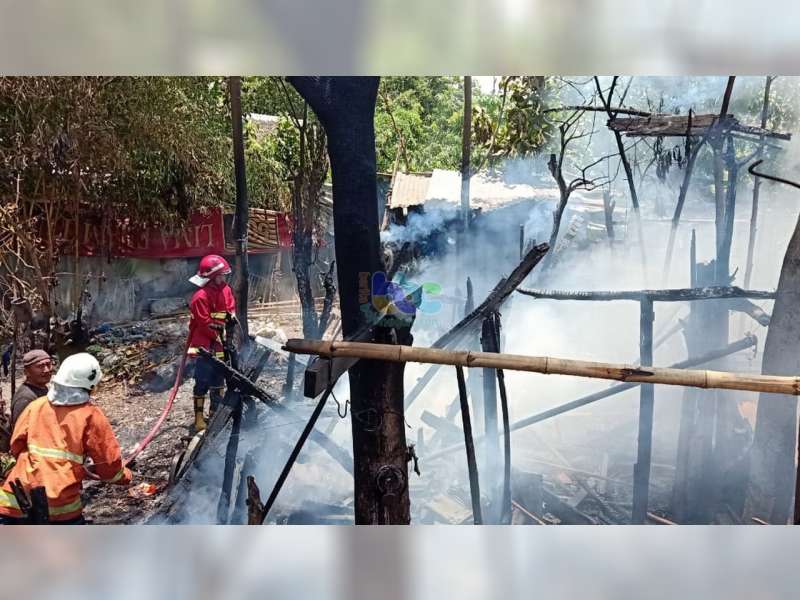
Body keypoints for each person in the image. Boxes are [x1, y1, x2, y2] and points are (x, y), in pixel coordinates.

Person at [0, 353, 132, 524]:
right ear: (91, 385)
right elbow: (108, 465)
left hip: (15, 499)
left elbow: (16, 445)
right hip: (59, 506)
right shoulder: (90, 414)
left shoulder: (36, 406)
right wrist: (125, 476)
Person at [187, 254, 236, 432]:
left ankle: (215, 415)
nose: (223, 278)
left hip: (220, 344)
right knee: (202, 382)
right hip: (204, 345)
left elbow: (230, 309)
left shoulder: (226, 290)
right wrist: (218, 333)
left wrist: (231, 323)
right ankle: (199, 419)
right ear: (211, 276)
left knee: (219, 380)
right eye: (221, 275)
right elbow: (203, 321)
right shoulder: (200, 296)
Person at [10, 350, 53, 431]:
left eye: (48, 364)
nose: (47, 370)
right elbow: (20, 433)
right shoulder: (25, 398)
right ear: (26, 372)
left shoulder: (42, 388)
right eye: (40, 366)